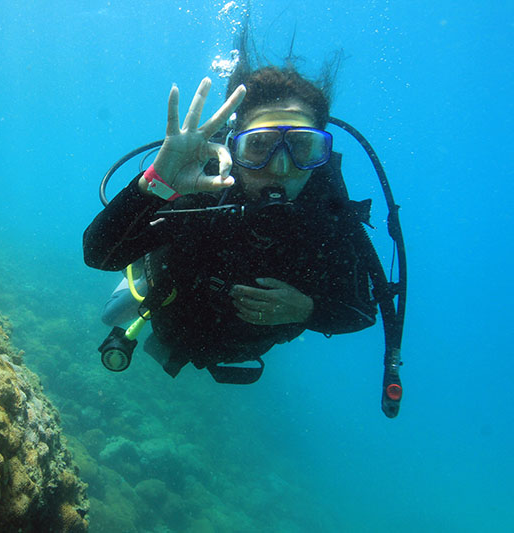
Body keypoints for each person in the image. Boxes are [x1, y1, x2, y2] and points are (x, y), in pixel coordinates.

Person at [83, 65, 378, 383]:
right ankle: (141, 273)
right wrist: (154, 186)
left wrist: (307, 309)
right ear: (235, 147)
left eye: (302, 146)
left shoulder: (327, 217)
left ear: (321, 154)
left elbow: (362, 312)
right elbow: (99, 255)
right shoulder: (203, 193)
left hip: (235, 344)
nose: (280, 167)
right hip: (166, 302)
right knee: (110, 316)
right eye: (258, 145)